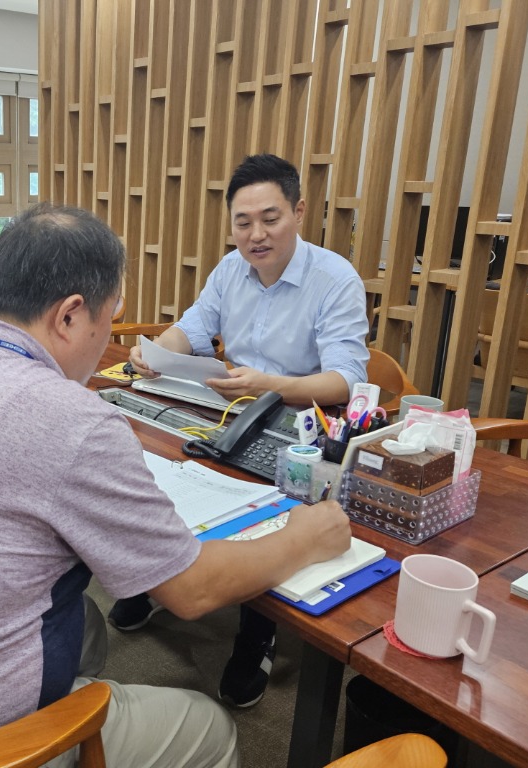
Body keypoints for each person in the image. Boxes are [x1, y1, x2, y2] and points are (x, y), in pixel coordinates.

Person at [0, 202, 351, 767]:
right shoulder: (71, 419)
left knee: (90, 632)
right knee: (210, 728)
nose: (106, 336)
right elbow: (192, 592)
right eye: (109, 316)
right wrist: (305, 537)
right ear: (71, 315)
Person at [109, 153, 370, 709]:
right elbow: (194, 327)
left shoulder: (334, 278)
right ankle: (161, 576)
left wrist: (269, 382)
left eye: (270, 218)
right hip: (227, 406)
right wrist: (157, 354)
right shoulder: (230, 270)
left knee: (267, 507)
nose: (255, 234)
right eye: (242, 222)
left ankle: (257, 630)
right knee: (155, 467)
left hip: (297, 424)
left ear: (299, 212)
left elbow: (346, 380)